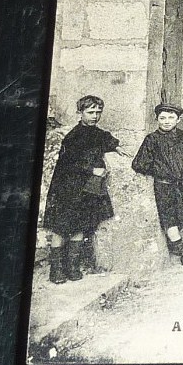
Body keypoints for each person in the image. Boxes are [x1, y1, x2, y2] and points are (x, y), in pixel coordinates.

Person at [43, 95, 130, 284]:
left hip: (85, 189)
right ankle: (56, 269)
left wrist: (116, 146)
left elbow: (104, 137)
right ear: (80, 113)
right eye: (90, 112)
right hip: (66, 188)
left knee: (81, 224)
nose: (95, 116)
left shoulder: (95, 133)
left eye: (98, 112)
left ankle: (72, 267)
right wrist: (92, 169)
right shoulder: (73, 137)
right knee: (60, 227)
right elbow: (68, 164)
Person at [132, 103, 183, 271]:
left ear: (178, 119)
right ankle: (182, 251)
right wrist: (160, 169)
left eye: (171, 118)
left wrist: (182, 168)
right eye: (162, 118)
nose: (167, 122)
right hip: (164, 186)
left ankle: (174, 241)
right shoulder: (152, 139)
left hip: (181, 184)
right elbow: (139, 164)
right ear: (157, 119)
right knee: (169, 218)